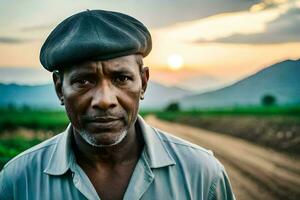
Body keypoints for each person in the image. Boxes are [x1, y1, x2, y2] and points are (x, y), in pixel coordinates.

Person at [0, 9, 235, 200]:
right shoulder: (17, 180)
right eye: (83, 81)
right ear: (59, 88)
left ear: (143, 83)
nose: (104, 100)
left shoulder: (203, 174)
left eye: (121, 78)